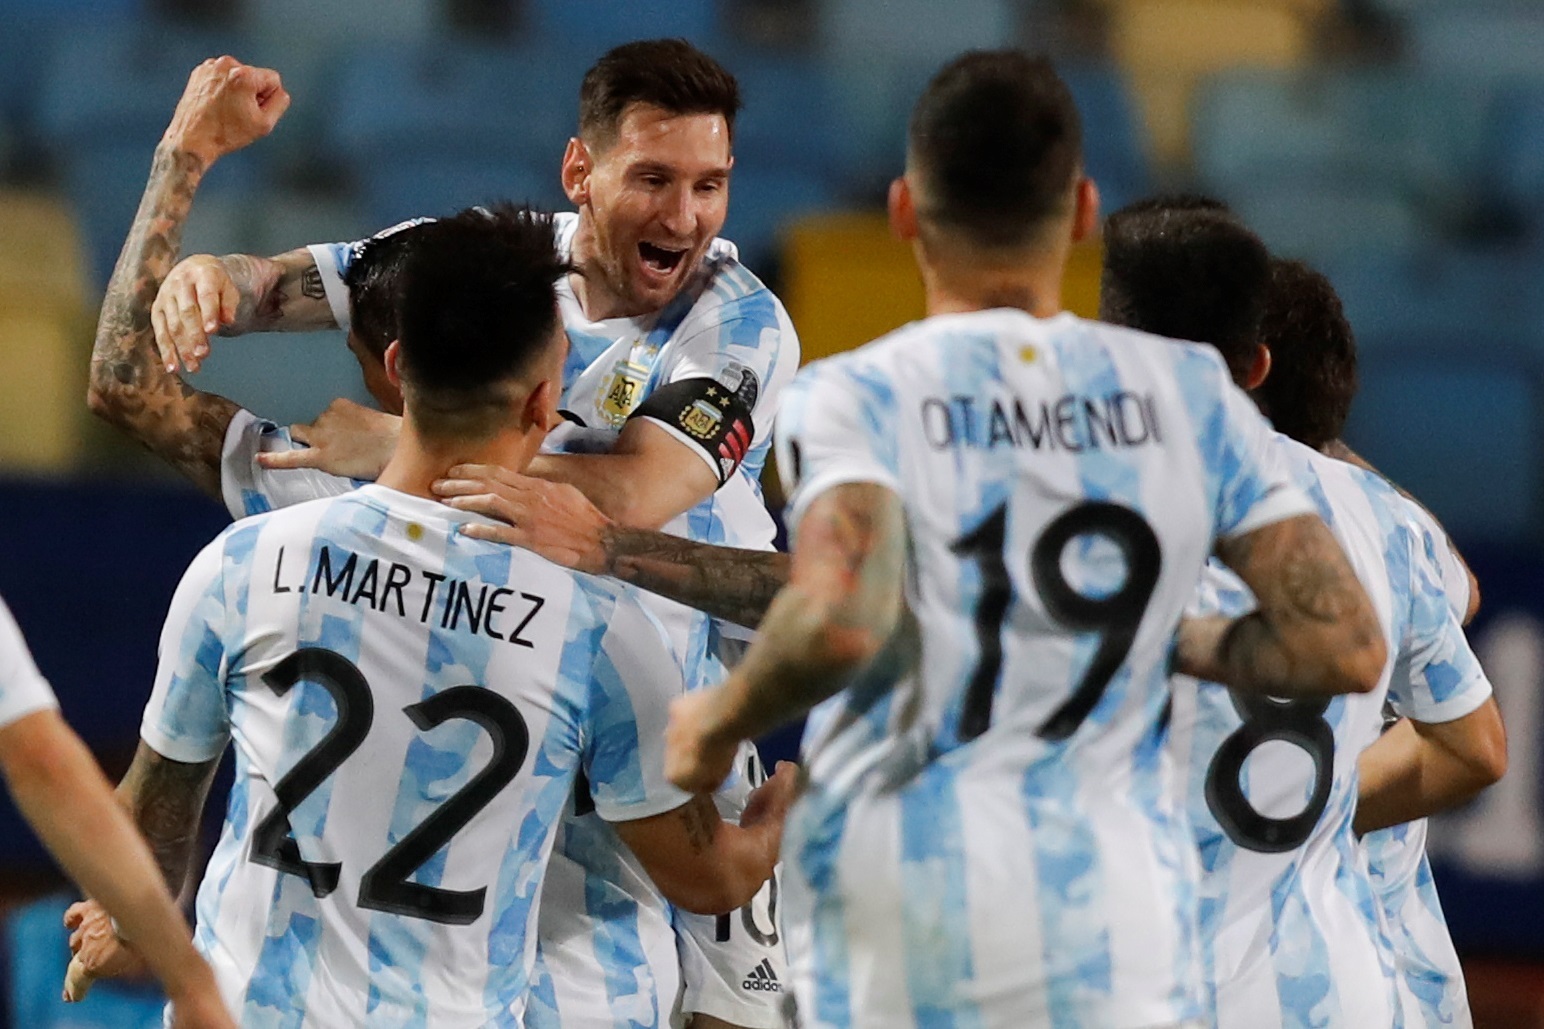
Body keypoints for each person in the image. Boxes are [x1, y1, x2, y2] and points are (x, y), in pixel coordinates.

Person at [663, 51, 1388, 1028]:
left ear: (904, 209)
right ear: (1084, 210)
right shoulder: (1189, 398)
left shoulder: (858, 394)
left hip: (904, 898)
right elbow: (1338, 643)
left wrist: (714, 721)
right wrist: (1158, 638)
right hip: (1121, 913)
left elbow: (841, 615)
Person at [89, 41, 797, 1028]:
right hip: (583, 836)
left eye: (709, 185)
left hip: (642, 801)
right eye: (653, 179)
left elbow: (631, 495)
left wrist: (397, 442)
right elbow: (235, 303)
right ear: (578, 173)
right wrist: (209, 267)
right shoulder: (474, 270)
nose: (683, 216)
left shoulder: (275, 539)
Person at [1098, 199, 1505, 1027]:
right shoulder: (1383, 520)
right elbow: (1466, 633)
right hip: (1355, 983)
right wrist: (1306, 795)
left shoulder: (1068, 514)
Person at [1254, 258, 1494, 1029]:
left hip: (1287, 980)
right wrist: (1324, 437)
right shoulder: (1386, 527)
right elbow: (1462, 584)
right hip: (1399, 985)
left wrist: (1302, 803)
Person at [0, 591, 235, 1028]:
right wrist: (191, 984)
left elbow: (45, 767)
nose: (146, 845)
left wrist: (184, 977)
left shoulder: (231, 940)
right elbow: (42, 766)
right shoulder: (28, 940)